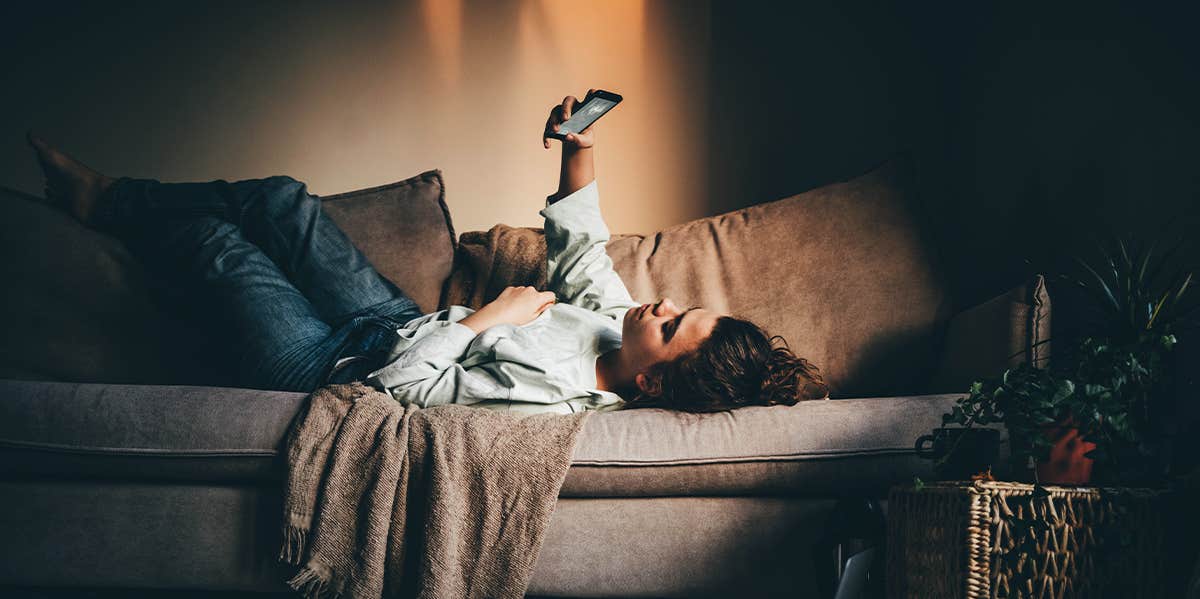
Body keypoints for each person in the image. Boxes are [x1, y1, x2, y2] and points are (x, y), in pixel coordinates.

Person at [27, 92, 829, 414]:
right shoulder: (617, 323)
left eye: (671, 323)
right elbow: (582, 243)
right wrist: (575, 149)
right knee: (279, 197)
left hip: (328, 368)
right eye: (679, 307)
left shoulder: (546, 407)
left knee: (213, 243)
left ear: (652, 377)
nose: (660, 304)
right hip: (386, 318)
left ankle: (125, 217)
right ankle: (110, 198)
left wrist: (489, 316)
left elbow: (394, 392)